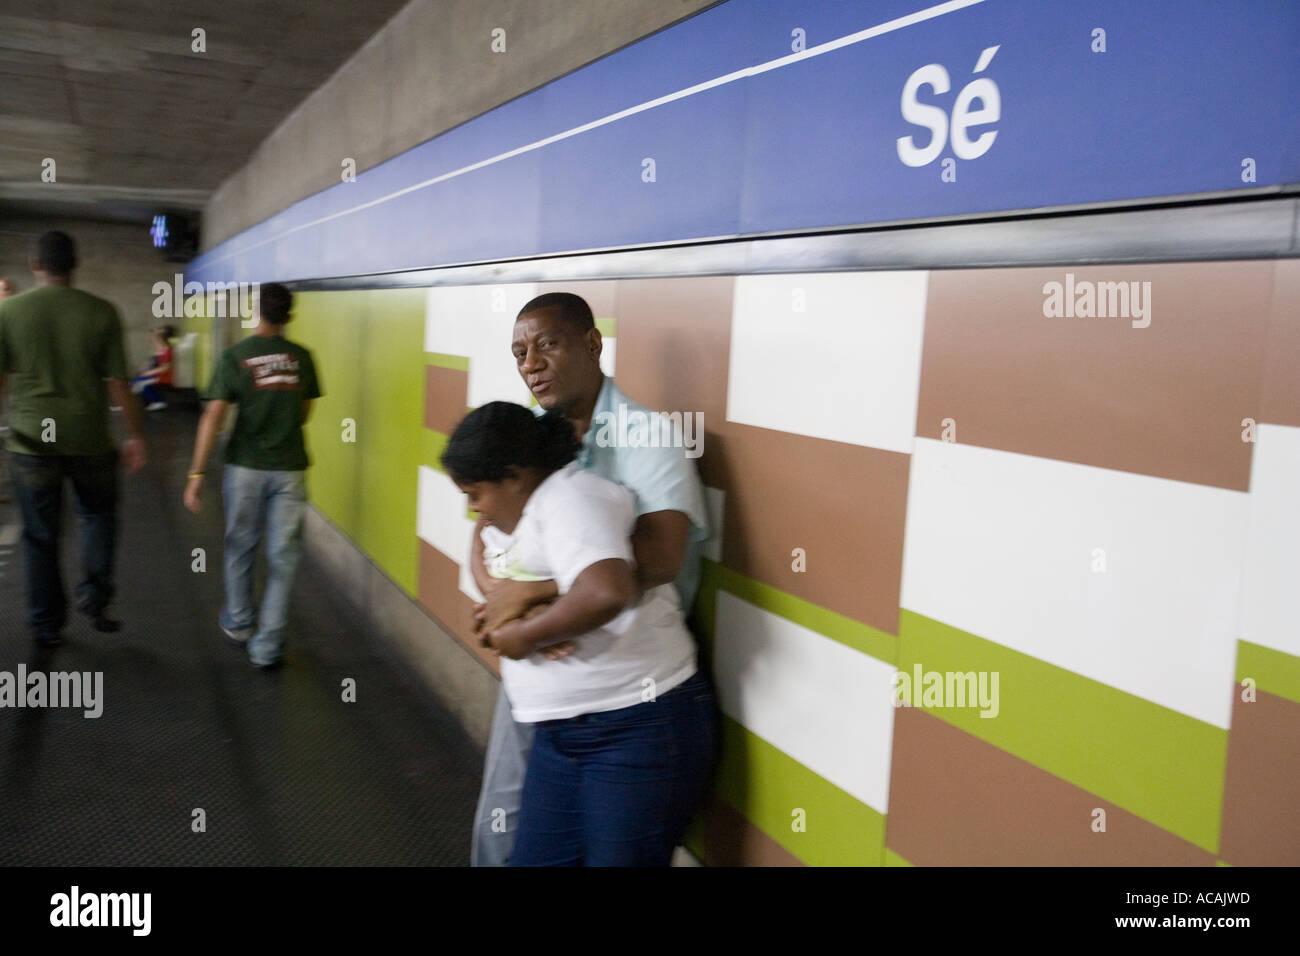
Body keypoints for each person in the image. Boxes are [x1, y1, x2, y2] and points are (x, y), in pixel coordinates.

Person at [469, 291, 712, 866]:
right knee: (500, 829)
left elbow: (659, 556)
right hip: (545, 668)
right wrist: (513, 608)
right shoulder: (527, 436)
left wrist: (539, 596)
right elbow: (486, 528)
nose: (530, 362)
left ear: (592, 343)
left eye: (546, 343)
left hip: (626, 686)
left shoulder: (646, 434)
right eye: (519, 351)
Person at [0, 230, 146, 645]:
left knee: (40, 537)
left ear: (34, 265)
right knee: (98, 517)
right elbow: (119, 382)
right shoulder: (103, 312)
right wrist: (135, 435)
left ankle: (47, 625)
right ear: (74, 265)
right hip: (90, 442)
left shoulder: (9, 312)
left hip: (31, 445)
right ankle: (95, 598)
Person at [183, 283, 321, 669]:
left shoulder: (236, 356)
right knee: (284, 557)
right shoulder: (303, 358)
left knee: (241, 545)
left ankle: (240, 622)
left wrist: (196, 472)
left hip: (245, 468)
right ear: (290, 316)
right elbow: (305, 410)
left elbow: (213, 415)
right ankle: (268, 646)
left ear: (255, 311)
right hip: (290, 469)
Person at [131, 325, 176, 411]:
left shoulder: (167, 351)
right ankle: (135, 401)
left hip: (163, 377)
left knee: (141, 383)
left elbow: (165, 368)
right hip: (158, 375)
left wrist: (148, 373)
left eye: (156, 337)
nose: (153, 339)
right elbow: (152, 361)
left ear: (161, 338)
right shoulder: (161, 349)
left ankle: (157, 402)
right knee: (136, 381)